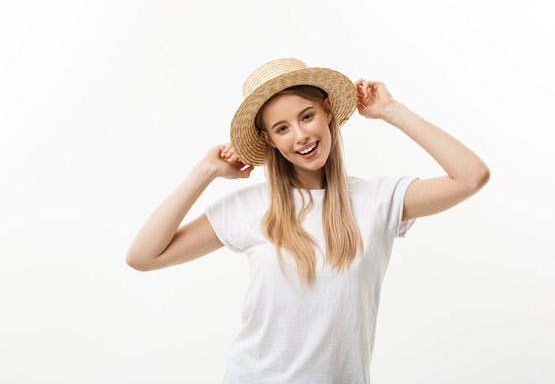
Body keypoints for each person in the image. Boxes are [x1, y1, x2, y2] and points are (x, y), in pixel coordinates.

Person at [126, 58, 490, 384]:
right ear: (268, 139)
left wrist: (392, 110)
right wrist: (205, 171)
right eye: (281, 128)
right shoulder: (248, 207)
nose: (300, 136)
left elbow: (471, 176)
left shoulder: (378, 200)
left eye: (306, 116)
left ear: (327, 111)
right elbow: (143, 256)